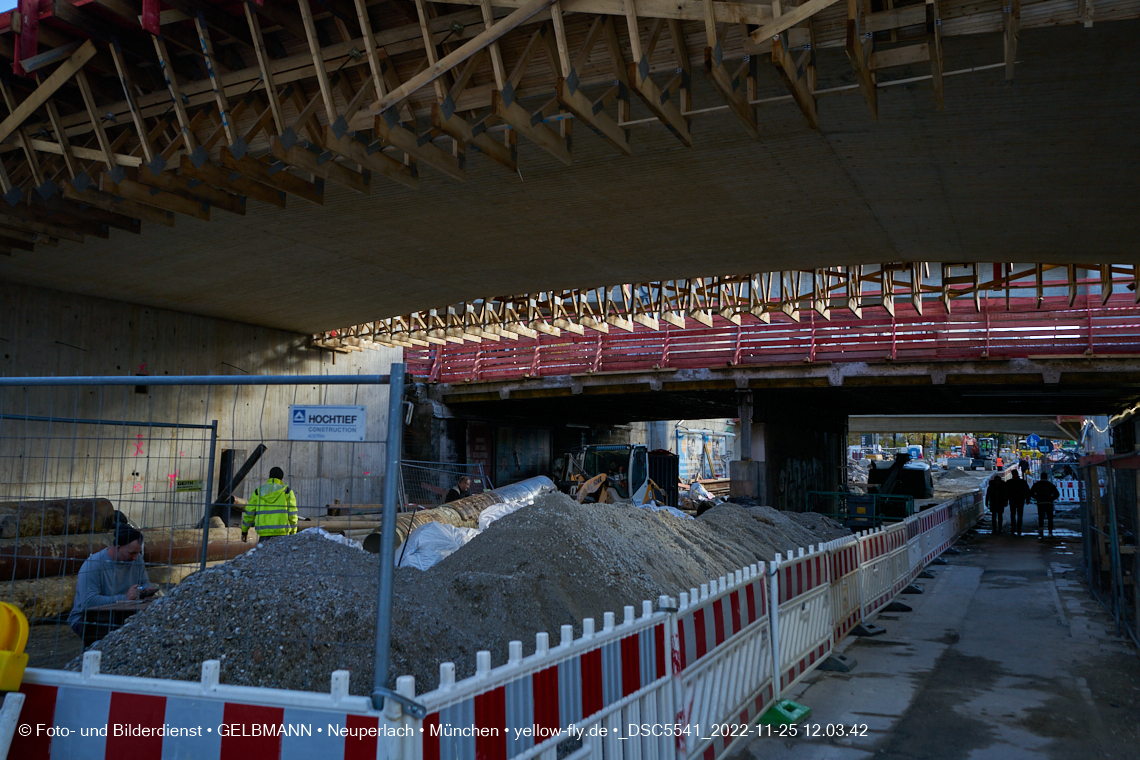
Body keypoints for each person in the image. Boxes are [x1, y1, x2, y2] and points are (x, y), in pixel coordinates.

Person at [68, 524, 155, 647]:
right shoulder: (93, 565)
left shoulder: (137, 559)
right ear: (118, 548)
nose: (136, 557)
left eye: (137, 553)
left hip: (122, 612)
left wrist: (146, 590)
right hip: (88, 617)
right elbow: (89, 602)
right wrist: (124, 598)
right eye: (132, 553)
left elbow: (144, 582)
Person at [241, 466, 297, 542]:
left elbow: (249, 513)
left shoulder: (258, 492)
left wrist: (244, 531)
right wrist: (294, 531)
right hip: (282, 534)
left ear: (269, 477)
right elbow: (292, 513)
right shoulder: (286, 491)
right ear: (281, 478)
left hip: (264, 534)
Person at [1030, 473, 1061, 538]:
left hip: (1041, 503)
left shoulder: (1037, 485)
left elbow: (1031, 492)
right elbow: (1057, 494)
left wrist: (1037, 498)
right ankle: (1050, 532)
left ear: (1041, 477)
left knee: (1041, 517)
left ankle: (1041, 531)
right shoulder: (1050, 485)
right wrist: (1051, 498)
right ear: (1046, 477)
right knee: (1050, 518)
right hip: (1049, 503)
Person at [1006, 469, 1031, 536]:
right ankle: (1018, 529)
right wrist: (1027, 499)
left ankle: (1014, 528)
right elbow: (1027, 491)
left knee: (1013, 514)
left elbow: (1006, 492)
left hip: (1013, 500)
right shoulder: (1022, 482)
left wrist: (1006, 500)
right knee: (1019, 514)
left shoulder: (1009, 482)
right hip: (1020, 500)